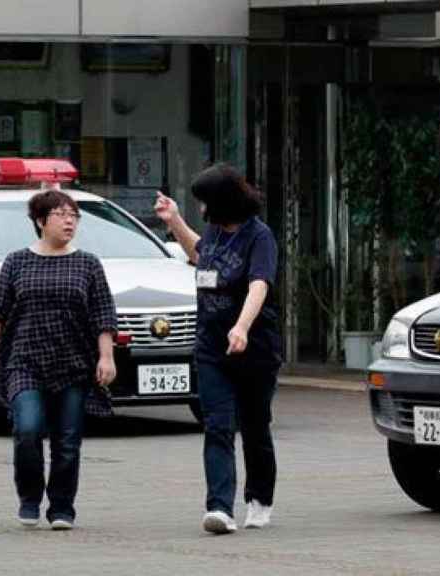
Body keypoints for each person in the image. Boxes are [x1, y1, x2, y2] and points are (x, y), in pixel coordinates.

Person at [0, 190, 118, 531]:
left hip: (73, 363)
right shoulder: (16, 262)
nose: (69, 221)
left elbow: (103, 314)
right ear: (41, 221)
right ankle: (29, 497)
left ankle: (61, 507)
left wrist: (106, 356)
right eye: (61, 214)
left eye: (74, 216)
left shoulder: (88, 263)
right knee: (27, 429)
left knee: (67, 440)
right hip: (24, 360)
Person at [154, 164, 282, 535]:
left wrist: (241, 327)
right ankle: (219, 508)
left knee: (255, 426)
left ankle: (259, 499)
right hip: (211, 347)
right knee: (217, 425)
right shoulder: (214, 231)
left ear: (225, 201)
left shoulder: (260, 237)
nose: (204, 209)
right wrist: (174, 219)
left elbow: (260, 284)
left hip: (254, 348)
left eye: (206, 202)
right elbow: (200, 253)